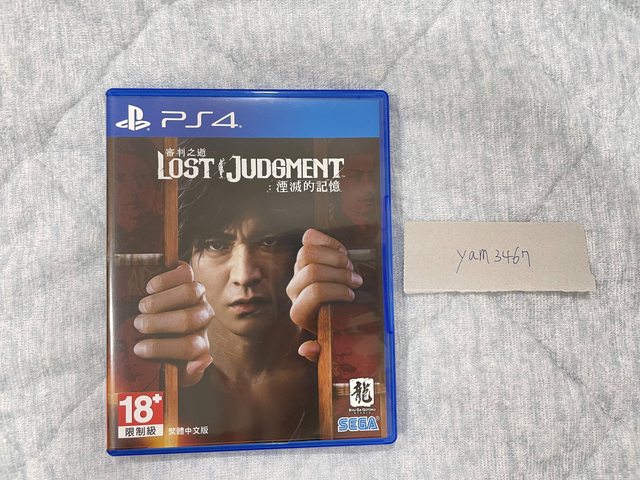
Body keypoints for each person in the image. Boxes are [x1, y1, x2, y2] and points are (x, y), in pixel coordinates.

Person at [131, 144, 363, 443]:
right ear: (186, 260)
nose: (244, 276)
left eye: (268, 243)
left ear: (299, 253)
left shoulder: (334, 356)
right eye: (216, 245)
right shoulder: (164, 371)